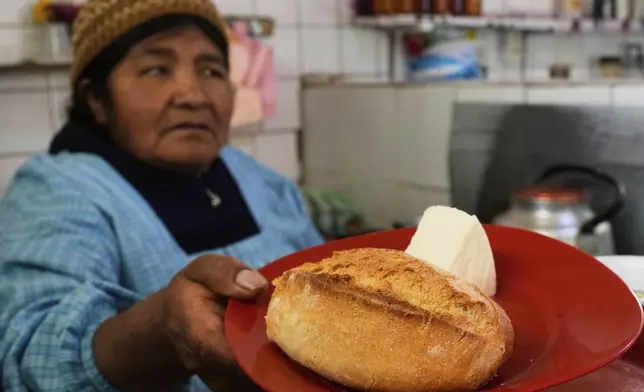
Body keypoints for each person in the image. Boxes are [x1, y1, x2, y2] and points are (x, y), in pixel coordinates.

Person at [0, 0, 323, 391]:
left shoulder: (255, 177)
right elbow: (28, 358)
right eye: (157, 70)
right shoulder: (57, 189)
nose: (193, 95)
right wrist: (162, 333)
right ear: (97, 99)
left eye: (211, 70)